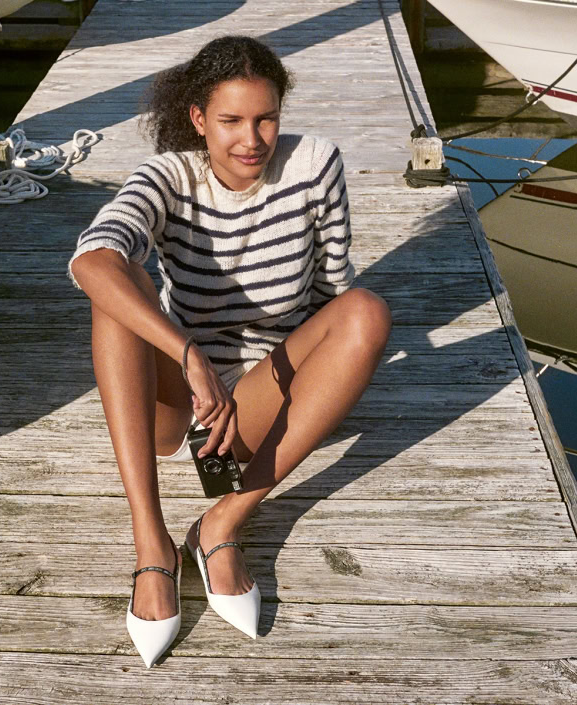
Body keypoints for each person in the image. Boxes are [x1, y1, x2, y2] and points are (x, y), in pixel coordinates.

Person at [68, 35, 392, 668]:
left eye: (266, 118)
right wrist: (190, 357)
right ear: (198, 119)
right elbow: (91, 258)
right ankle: (152, 546)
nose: (252, 139)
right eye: (231, 121)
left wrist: (328, 372)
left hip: (260, 397)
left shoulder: (314, 164)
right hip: (176, 398)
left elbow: (334, 291)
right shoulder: (169, 177)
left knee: (367, 311)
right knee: (113, 281)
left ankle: (221, 525)